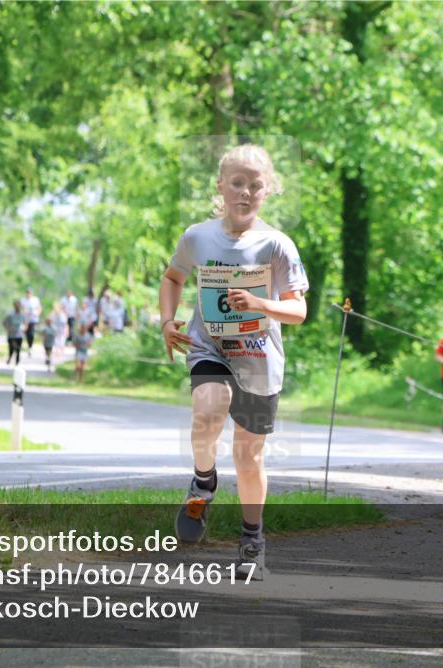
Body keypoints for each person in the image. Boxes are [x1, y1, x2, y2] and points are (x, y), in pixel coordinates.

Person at [160, 144, 308, 581]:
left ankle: (252, 540)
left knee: (248, 457)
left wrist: (260, 303)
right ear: (221, 187)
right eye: (237, 183)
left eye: (255, 185)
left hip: (259, 359)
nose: (245, 192)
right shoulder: (197, 236)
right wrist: (167, 321)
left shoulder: (277, 244)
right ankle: (203, 481)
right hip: (210, 347)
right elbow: (173, 277)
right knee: (207, 408)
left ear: (269, 190)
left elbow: (297, 310)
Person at [2, 299, 27, 366]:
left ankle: (17, 363)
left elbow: (26, 323)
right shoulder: (10, 315)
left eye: (19, 305)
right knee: (11, 348)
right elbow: (4, 322)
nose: (17, 307)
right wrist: (8, 328)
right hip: (11, 335)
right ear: (14, 306)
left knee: (18, 349)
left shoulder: (22, 315)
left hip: (19, 335)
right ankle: (10, 357)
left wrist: (24, 329)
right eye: (16, 305)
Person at [21, 288, 42, 357]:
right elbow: (21, 308)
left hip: (33, 319)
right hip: (25, 319)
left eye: (29, 293)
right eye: (27, 293)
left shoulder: (35, 300)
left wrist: (37, 313)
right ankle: (27, 345)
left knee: (31, 333)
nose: (28, 294)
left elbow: (39, 308)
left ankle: (30, 346)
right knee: (26, 333)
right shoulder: (23, 300)